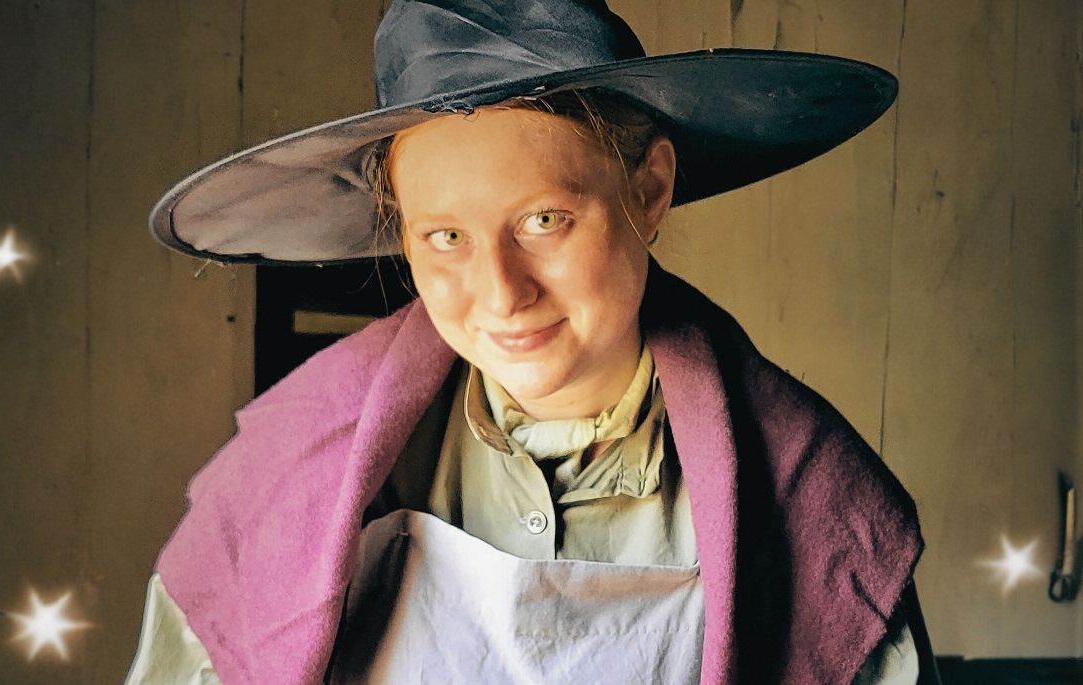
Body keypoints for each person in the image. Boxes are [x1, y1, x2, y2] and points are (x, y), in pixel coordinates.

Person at [128, 1, 936, 683]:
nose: (502, 292)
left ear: (648, 191)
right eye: (444, 236)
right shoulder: (276, 472)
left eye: (543, 219)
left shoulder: (816, 506)